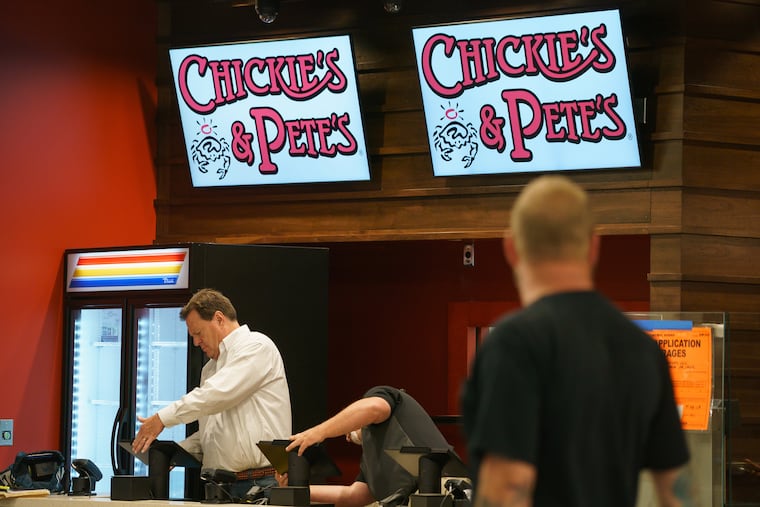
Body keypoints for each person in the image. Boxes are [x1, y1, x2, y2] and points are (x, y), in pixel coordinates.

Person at [461, 175, 693, 507]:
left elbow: (509, 485)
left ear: (511, 248)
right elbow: (677, 490)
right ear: (594, 246)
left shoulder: (514, 343)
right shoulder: (644, 349)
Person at [132, 288, 292, 498]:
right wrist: (174, 452)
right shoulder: (210, 368)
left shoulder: (257, 346)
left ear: (219, 319)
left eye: (198, 333)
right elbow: (214, 431)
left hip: (261, 483)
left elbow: (217, 395)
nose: (196, 342)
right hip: (220, 487)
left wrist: (162, 418)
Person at [282, 385, 457, 507]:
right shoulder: (372, 461)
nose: (347, 437)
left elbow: (374, 407)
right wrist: (297, 489)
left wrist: (318, 432)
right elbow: (353, 496)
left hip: (446, 490)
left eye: (348, 426)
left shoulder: (384, 397)